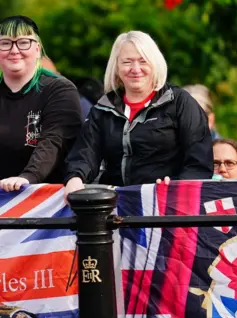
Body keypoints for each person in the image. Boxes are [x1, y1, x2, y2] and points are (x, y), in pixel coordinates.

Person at [64, 31, 213, 194]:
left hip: (168, 205)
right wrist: (75, 178)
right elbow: (84, 153)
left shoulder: (179, 102)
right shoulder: (103, 108)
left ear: (155, 64)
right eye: (127, 62)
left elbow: (199, 161)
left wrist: (178, 188)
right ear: (116, 67)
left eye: (143, 61)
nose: (135, 69)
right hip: (116, 205)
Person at [0, 15, 82, 192]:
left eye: (23, 42)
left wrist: (27, 177)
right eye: (5, 43)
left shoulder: (60, 90)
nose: (14, 50)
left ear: (37, 49)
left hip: (47, 201)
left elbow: (54, 141)